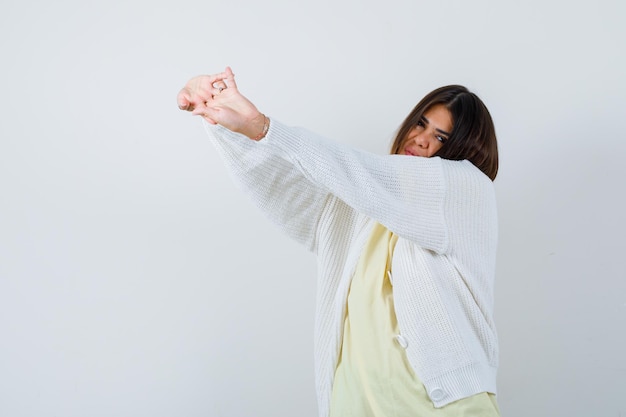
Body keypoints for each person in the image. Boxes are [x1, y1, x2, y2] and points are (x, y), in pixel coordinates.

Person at [177, 67, 501, 417]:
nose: (421, 139)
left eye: (441, 138)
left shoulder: (465, 188)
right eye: (420, 124)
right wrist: (222, 121)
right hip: (356, 403)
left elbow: (355, 170)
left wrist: (262, 126)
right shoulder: (359, 208)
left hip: (441, 407)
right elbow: (278, 186)